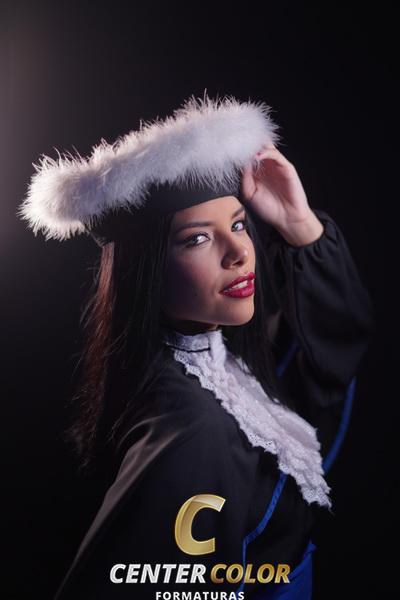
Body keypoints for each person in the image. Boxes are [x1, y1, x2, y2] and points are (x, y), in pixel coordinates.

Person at [18, 92, 374, 599]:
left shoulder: (220, 363)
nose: (239, 252)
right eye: (197, 238)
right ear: (147, 272)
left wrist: (298, 226)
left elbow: (333, 344)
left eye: (238, 224)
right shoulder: (192, 431)